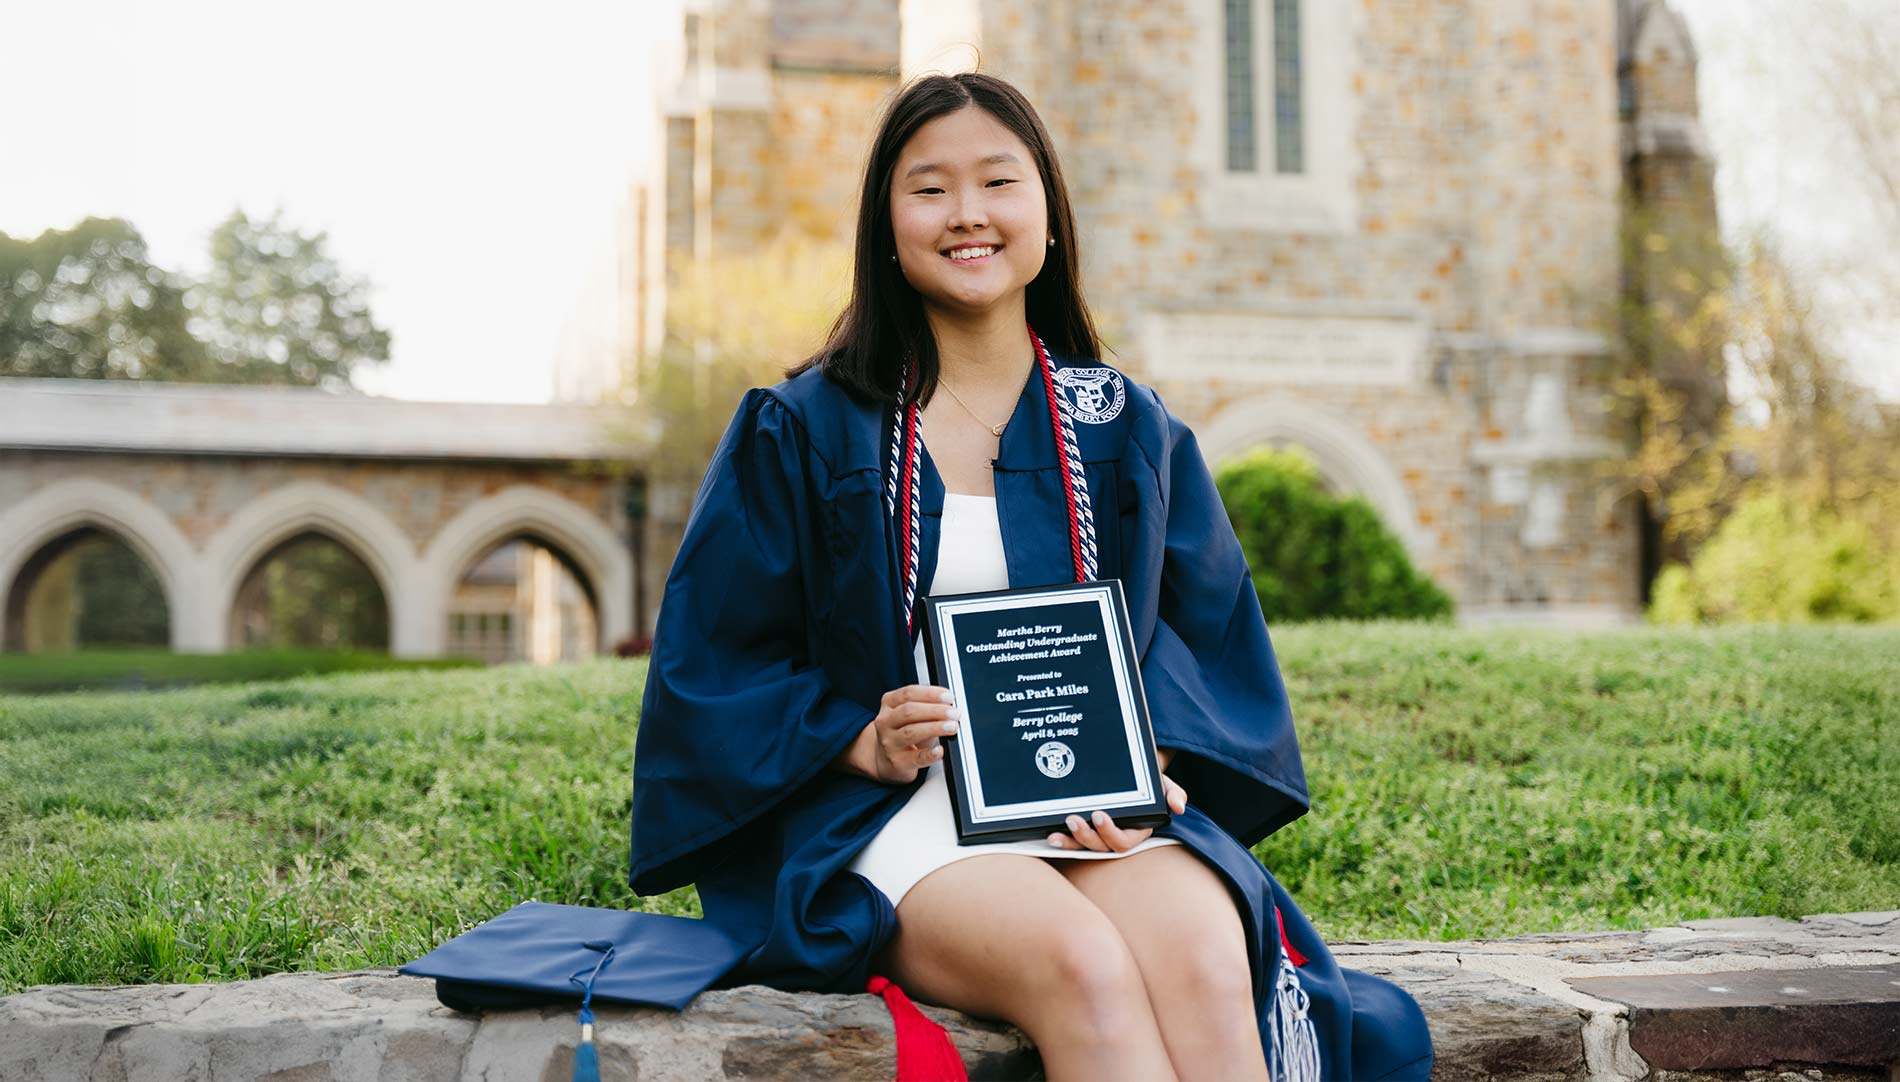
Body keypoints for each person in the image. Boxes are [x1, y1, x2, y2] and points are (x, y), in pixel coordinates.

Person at [629, 71, 1433, 1080]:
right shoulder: (806, 427)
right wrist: (854, 739)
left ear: (1047, 211)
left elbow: (1203, 637)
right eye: (929, 187)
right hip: (897, 815)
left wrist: (1147, 770)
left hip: (1090, 809)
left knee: (1204, 957)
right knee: (1085, 965)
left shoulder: (1121, 424)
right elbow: (718, 660)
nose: (967, 213)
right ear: (885, 222)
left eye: (997, 182)